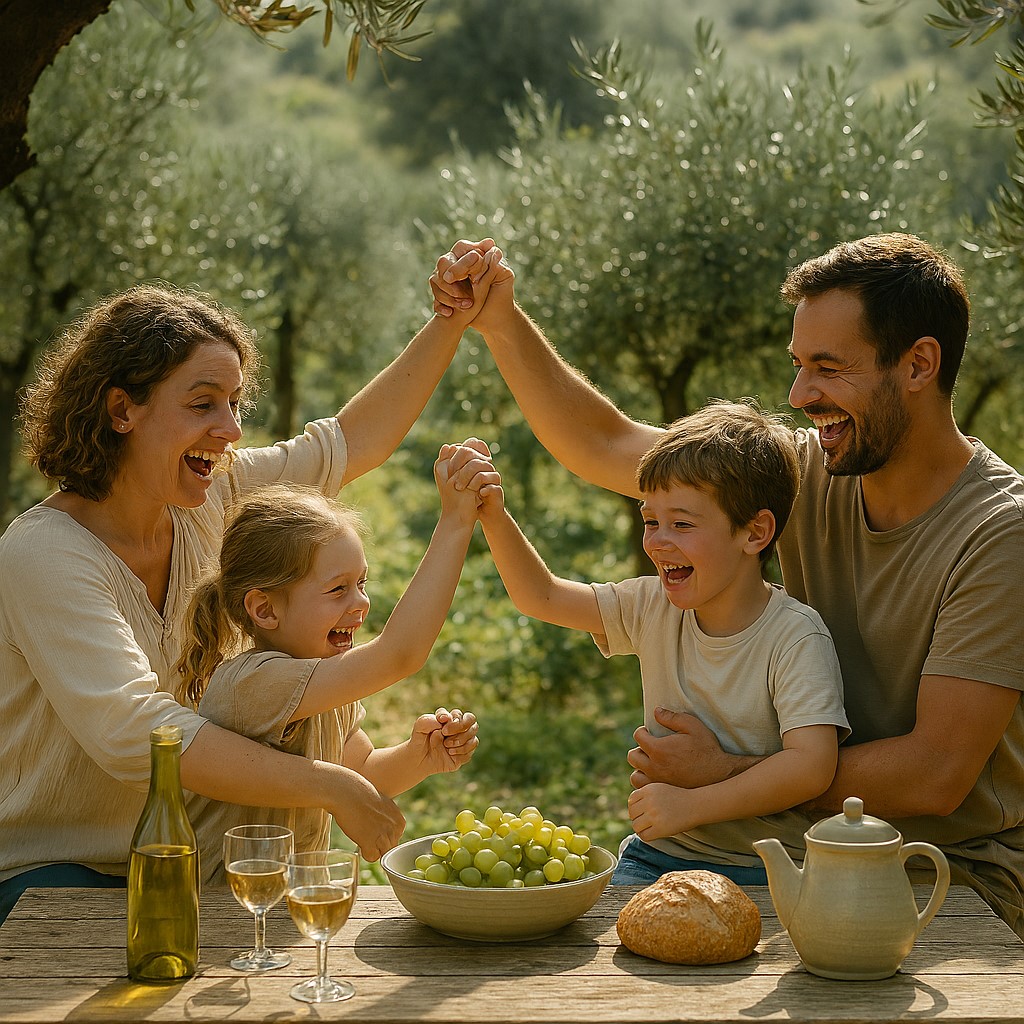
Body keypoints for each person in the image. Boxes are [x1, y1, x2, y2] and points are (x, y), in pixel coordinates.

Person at [431, 232, 1024, 937]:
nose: (801, 395)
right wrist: (499, 318)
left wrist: (723, 776)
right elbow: (607, 445)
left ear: (919, 364)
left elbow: (935, 773)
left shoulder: (1000, 533)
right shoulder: (806, 476)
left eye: (827, 368)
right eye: (799, 366)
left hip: (943, 875)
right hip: (796, 849)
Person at [0, 247, 504, 924]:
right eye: (204, 403)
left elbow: (351, 443)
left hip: (191, 861)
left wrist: (450, 319)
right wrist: (330, 785)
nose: (231, 431)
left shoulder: (208, 499)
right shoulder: (43, 555)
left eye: (235, 403)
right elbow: (133, 732)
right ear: (123, 409)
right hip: (55, 879)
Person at [468, 400, 849, 884]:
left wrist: (691, 805)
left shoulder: (795, 636)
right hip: (657, 857)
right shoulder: (653, 606)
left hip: (769, 869)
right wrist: (494, 516)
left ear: (755, 532)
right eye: (651, 520)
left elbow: (812, 767)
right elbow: (541, 596)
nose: (657, 542)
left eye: (683, 524)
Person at [176, 474, 480, 865]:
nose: (360, 604)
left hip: (287, 905)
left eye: (362, 583)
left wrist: (420, 755)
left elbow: (365, 773)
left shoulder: (324, 683)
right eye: (337, 589)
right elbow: (400, 655)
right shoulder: (250, 683)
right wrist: (455, 522)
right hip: (222, 911)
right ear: (265, 609)